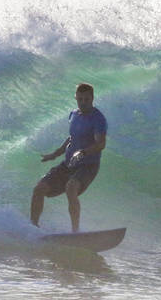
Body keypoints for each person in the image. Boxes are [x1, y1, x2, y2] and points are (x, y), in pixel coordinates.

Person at [30, 82, 107, 232]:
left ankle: (75, 232)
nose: (83, 103)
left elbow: (101, 144)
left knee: (71, 187)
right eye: (80, 99)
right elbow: (72, 138)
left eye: (86, 99)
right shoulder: (73, 115)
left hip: (88, 166)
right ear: (76, 98)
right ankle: (33, 227)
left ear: (92, 98)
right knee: (39, 189)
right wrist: (54, 154)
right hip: (69, 164)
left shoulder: (98, 119)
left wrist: (83, 152)